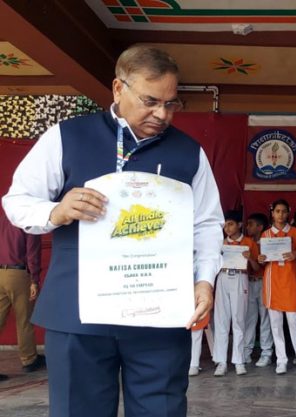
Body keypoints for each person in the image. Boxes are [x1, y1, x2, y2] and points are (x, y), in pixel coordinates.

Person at [2, 46, 223, 417]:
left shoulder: (189, 153)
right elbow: (17, 200)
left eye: (171, 104)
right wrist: (56, 210)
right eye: (151, 100)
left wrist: (204, 281)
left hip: (160, 312)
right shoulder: (65, 137)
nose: (161, 114)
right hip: (77, 315)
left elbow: (207, 223)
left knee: (162, 410)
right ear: (118, 88)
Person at [258, 199, 296, 378]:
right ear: (272, 213)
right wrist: (260, 259)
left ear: (289, 213)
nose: (280, 215)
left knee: (294, 323)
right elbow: (262, 260)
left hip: (290, 282)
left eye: (284, 211)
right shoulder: (265, 235)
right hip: (272, 282)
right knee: (275, 324)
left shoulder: (295, 233)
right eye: (277, 211)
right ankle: (281, 361)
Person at [213, 210, 260, 376]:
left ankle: (239, 360)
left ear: (240, 224)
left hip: (241, 278)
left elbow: (256, 268)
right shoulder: (219, 243)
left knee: (239, 320)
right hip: (223, 277)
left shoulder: (248, 242)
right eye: (225, 224)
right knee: (221, 320)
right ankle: (221, 361)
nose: (227, 227)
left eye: (231, 223)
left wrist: (250, 258)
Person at [0, 214, 46, 381]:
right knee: (24, 319)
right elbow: (32, 252)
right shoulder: (28, 222)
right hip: (17, 274)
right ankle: (29, 359)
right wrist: (34, 279)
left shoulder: (3, 220)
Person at [243, 212, 274, 367]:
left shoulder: (267, 242)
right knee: (249, 319)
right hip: (249, 282)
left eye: (251, 224)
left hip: (264, 283)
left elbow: (259, 265)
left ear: (260, 227)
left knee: (265, 319)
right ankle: (246, 351)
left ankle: (266, 352)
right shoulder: (246, 242)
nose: (247, 227)